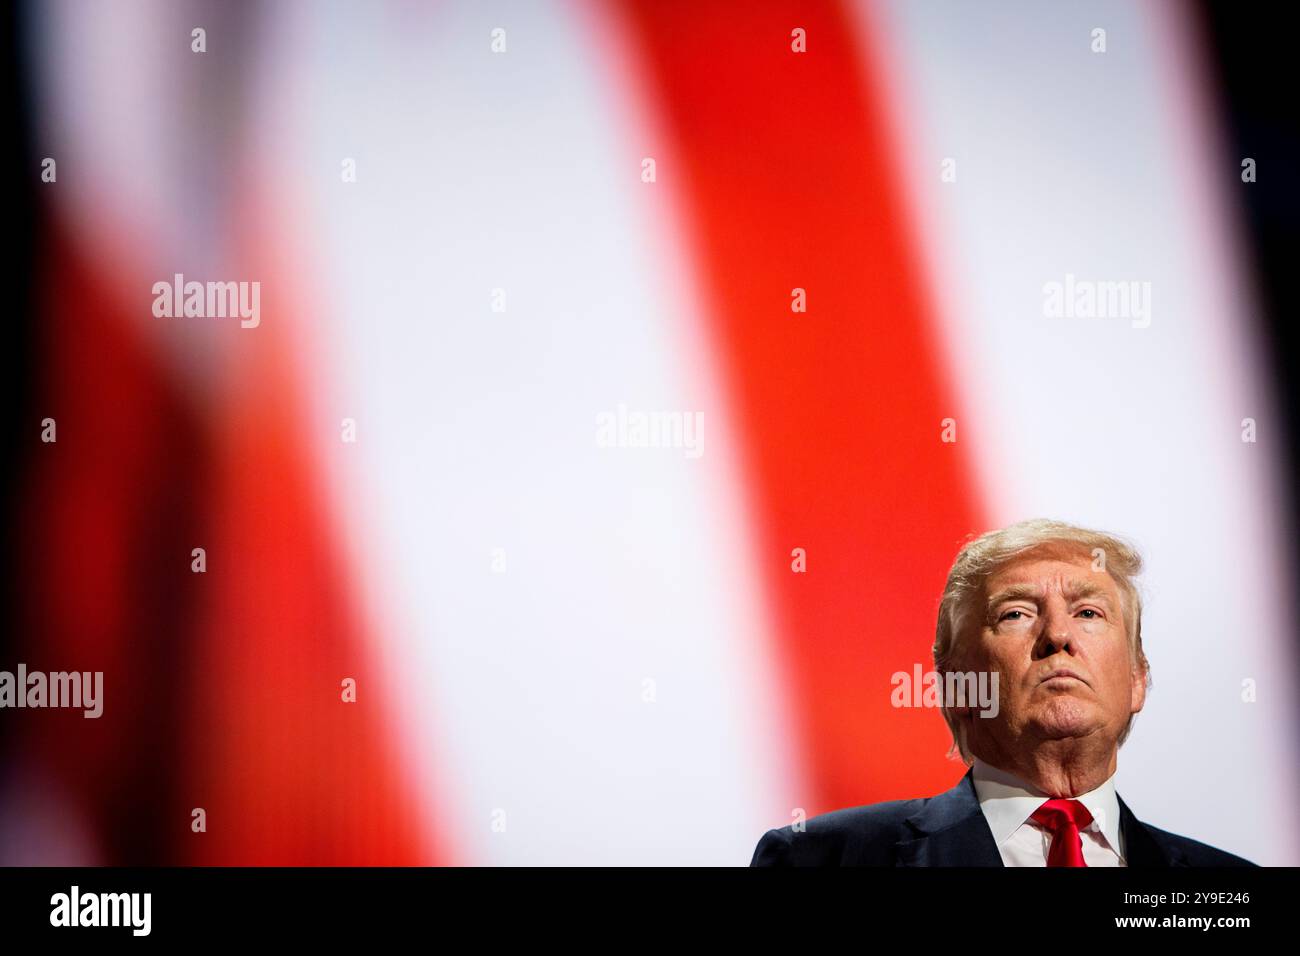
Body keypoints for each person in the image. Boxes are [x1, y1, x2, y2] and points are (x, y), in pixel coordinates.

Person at [750, 519, 1256, 866]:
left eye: (1088, 613)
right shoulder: (824, 858)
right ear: (954, 686)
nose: (1058, 636)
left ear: (1137, 679)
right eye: (1016, 613)